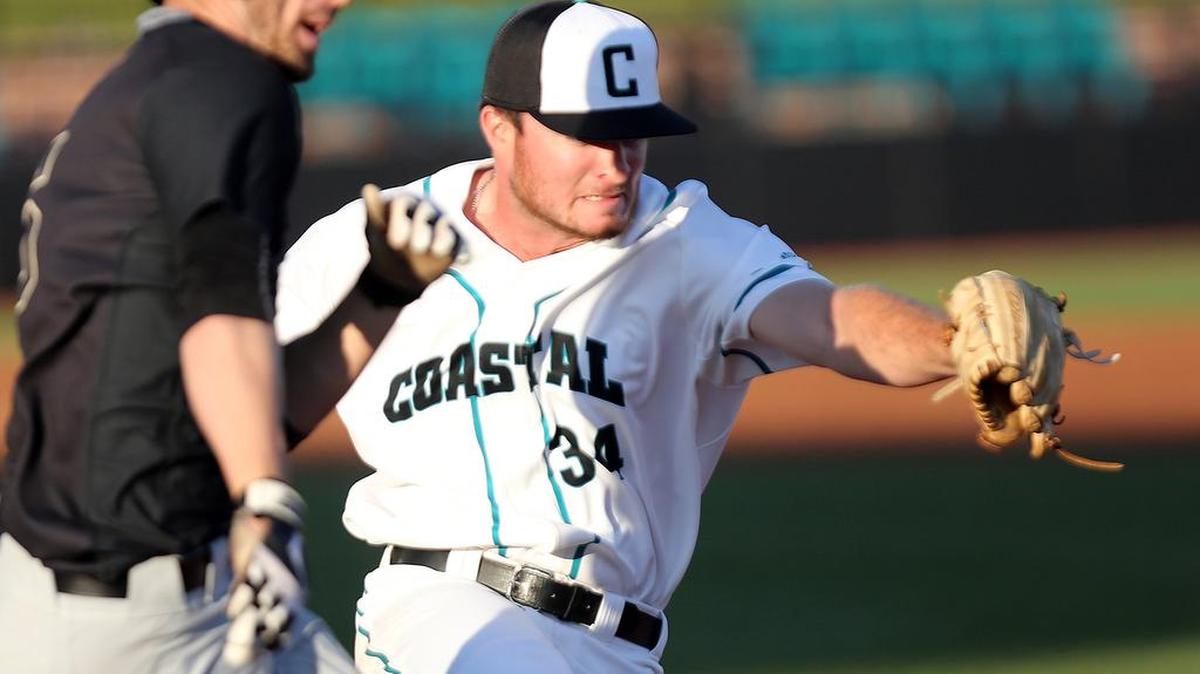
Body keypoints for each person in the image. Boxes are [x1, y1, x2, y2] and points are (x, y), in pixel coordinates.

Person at [275, 2, 959, 672]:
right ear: (500, 128)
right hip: (441, 610)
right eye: (586, 134)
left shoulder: (683, 238)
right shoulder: (364, 240)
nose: (616, 162)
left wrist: (958, 345)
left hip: (620, 643)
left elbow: (828, 318)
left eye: (632, 131)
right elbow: (234, 392)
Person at [0, 0, 460, 671]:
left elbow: (242, 405)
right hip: (135, 625)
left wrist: (381, 290)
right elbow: (219, 312)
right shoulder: (227, 80)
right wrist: (266, 502)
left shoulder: (156, 78)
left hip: (137, 602)